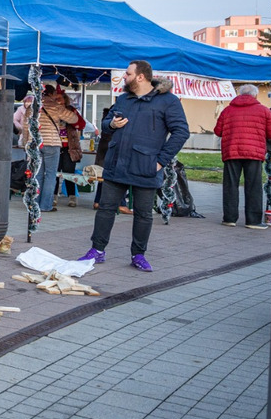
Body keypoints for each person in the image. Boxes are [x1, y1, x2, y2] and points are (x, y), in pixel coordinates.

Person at [80, 61, 189, 272]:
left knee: (143, 214)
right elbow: (106, 123)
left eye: (128, 74)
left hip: (146, 167)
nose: (124, 77)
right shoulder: (124, 99)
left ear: (140, 77)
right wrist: (111, 124)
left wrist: (160, 161)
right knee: (105, 209)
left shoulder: (168, 101)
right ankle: (97, 250)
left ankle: (138, 254)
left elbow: (181, 132)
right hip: (116, 164)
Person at [214, 84, 271, 229]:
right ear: (255, 95)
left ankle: (229, 219)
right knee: (253, 186)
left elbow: (218, 131)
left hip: (232, 152)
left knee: (230, 186)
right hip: (254, 153)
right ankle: (253, 221)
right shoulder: (263, 111)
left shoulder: (227, 110)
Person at [21, 84, 79, 213]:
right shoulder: (56, 107)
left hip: (34, 144)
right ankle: (46, 205)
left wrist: (26, 143)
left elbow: (25, 128)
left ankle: (35, 204)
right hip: (52, 144)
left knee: (38, 175)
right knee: (51, 175)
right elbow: (74, 118)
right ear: (52, 94)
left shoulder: (32, 108)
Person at [53, 90, 86, 208]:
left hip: (69, 147)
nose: (57, 101)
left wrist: (71, 120)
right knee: (54, 173)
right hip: (54, 145)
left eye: (59, 99)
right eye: (55, 99)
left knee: (69, 174)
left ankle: (72, 197)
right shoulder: (51, 110)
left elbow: (82, 124)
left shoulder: (71, 110)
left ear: (65, 99)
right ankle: (53, 197)